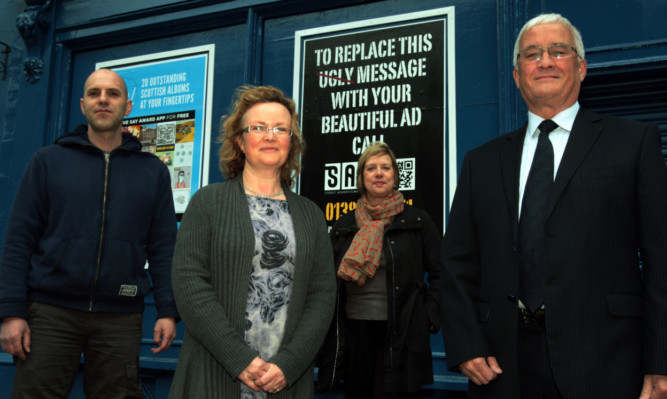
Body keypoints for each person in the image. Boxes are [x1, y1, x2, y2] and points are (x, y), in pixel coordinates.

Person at [440, 13, 667, 399]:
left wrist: (661, 363)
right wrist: (465, 344)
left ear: (581, 68)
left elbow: (662, 257)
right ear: (516, 76)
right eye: (532, 54)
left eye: (558, 51)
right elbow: (457, 263)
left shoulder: (633, 142)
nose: (545, 61)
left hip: (607, 364)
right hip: (502, 368)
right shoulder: (481, 161)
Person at [0, 68, 179, 398]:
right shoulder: (48, 161)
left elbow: (163, 246)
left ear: (127, 107)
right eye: (95, 93)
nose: (103, 100)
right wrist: (11, 312)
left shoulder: (151, 171)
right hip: (51, 313)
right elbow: (18, 240)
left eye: (113, 94)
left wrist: (167, 309)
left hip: (120, 316)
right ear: (83, 105)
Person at [168, 85, 336, 398]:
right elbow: (190, 283)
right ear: (240, 141)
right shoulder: (208, 202)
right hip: (215, 373)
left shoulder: (311, 214)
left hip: (284, 379)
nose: (270, 136)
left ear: (291, 142)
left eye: (280, 129)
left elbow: (323, 294)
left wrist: (289, 364)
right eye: (258, 127)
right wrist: (240, 359)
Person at [317, 142, 442, 398]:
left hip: (402, 332)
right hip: (354, 335)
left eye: (386, 167)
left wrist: (427, 317)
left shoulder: (417, 221)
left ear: (395, 175)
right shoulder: (344, 225)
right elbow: (327, 281)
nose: (379, 173)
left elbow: (443, 275)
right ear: (362, 177)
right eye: (371, 168)